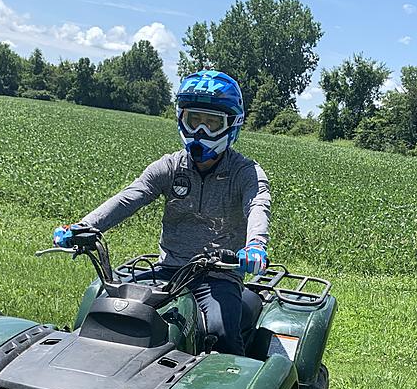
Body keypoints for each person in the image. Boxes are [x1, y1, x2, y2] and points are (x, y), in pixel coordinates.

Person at [52, 70, 270, 355]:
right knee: (107, 308)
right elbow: (131, 196)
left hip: (218, 277)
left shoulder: (244, 172)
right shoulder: (170, 167)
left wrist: (255, 245)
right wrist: (83, 226)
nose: (201, 132)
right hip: (169, 270)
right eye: (194, 120)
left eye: (212, 123)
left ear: (231, 125)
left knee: (221, 331)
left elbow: (257, 204)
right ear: (181, 118)